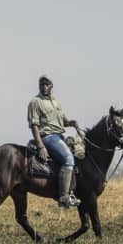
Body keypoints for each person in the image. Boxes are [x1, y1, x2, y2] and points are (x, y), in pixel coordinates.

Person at [29, 75, 81, 209]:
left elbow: (63, 121)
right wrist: (40, 146)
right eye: (42, 84)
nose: (44, 87)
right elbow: (34, 125)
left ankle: (73, 190)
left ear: (52, 86)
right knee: (68, 159)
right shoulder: (35, 102)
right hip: (48, 137)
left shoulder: (56, 102)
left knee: (79, 153)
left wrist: (71, 123)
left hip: (59, 135)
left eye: (47, 84)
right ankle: (64, 197)